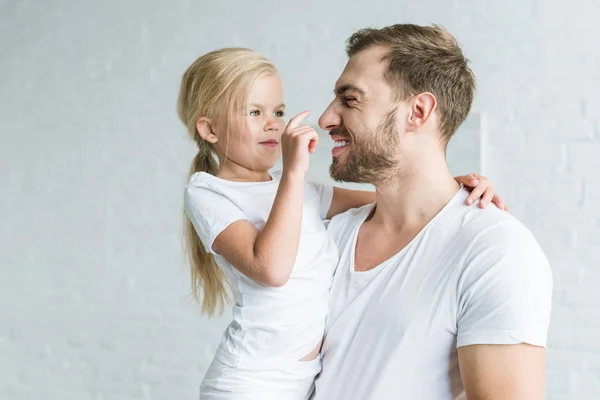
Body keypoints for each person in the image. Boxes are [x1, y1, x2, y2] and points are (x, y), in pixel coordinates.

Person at [177, 48, 505, 399]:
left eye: (279, 111)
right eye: (254, 112)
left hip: (302, 384)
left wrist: (455, 188)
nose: (272, 123)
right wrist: (293, 173)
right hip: (250, 384)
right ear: (210, 129)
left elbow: (397, 201)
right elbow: (271, 269)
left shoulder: (295, 189)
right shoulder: (209, 192)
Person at [312, 24, 553, 400]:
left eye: (351, 98)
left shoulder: (493, 249)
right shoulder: (328, 235)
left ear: (418, 111)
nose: (326, 118)